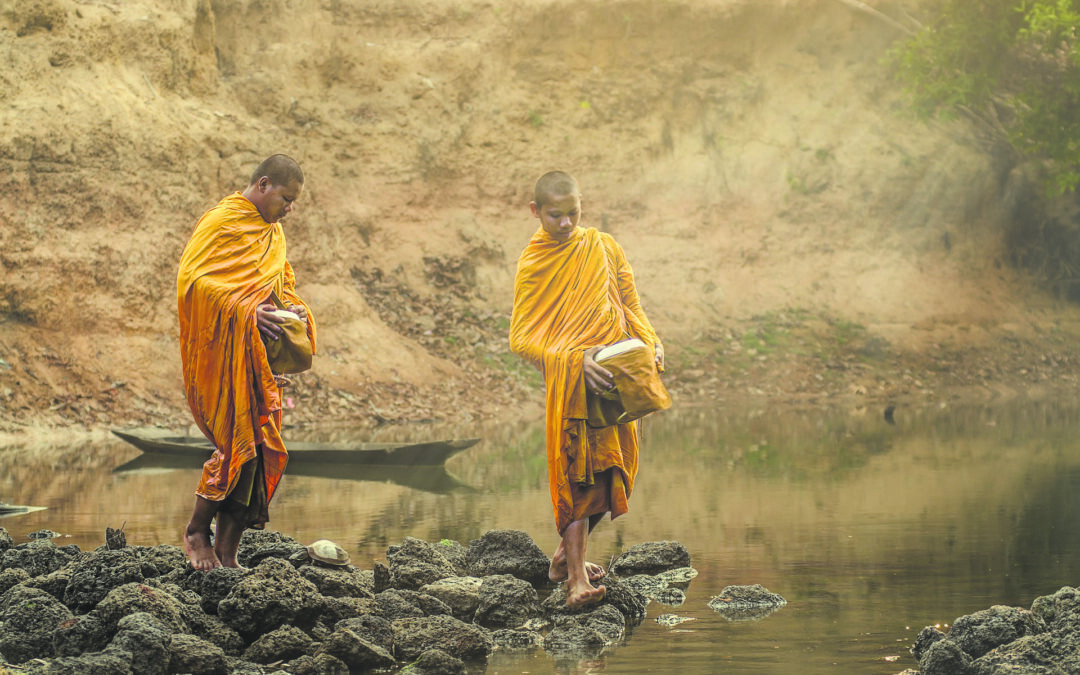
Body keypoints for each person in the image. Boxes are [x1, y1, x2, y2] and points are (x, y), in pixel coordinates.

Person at [509, 171, 665, 607]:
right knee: (579, 476)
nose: (565, 224)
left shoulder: (603, 246)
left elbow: (629, 303)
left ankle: (562, 559)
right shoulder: (534, 261)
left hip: (615, 377)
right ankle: (576, 580)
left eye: (573, 213)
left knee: (616, 471)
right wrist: (575, 361)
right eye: (554, 215)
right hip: (572, 385)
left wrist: (651, 342)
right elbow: (521, 337)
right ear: (535, 211)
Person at [176, 154, 316, 570]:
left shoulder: (272, 235)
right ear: (264, 185)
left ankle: (228, 553)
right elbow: (193, 282)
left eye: (294, 202)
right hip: (221, 351)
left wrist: (295, 310)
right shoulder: (223, 221)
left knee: (260, 446)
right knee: (235, 444)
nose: (289, 208)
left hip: (258, 358)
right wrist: (243, 310)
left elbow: (279, 285)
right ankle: (197, 532)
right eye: (286, 198)